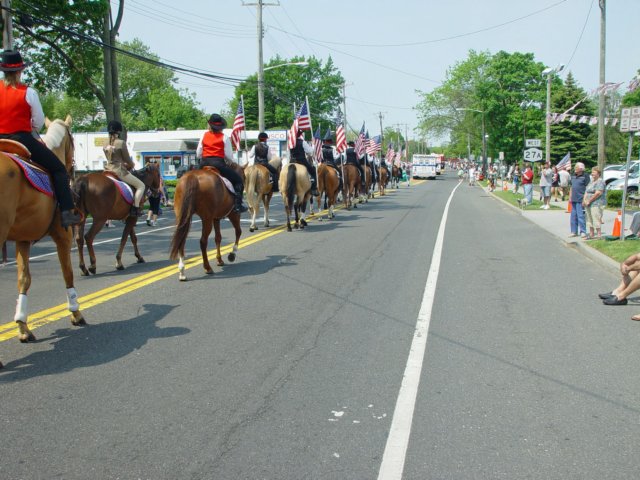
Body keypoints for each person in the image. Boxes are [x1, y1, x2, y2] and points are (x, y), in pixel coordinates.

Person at [0, 50, 81, 228]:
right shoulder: (28, 92)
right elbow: (38, 121)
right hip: (20, 139)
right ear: (20, 71)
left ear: (4, 71)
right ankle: (67, 213)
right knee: (59, 169)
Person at [197, 113, 248, 213]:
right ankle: (238, 206)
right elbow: (228, 156)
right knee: (238, 181)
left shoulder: (204, 135)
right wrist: (232, 163)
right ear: (220, 126)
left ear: (209, 125)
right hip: (218, 164)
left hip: (203, 163)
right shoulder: (224, 137)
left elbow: (198, 153)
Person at [103, 120, 146, 217]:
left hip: (107, 170)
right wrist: (132, 164)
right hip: (119, 171)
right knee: (141, 186)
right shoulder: (121, 143)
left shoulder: (105, 143)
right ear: (118, 131)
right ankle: (135, 208)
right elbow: (127, 159)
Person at [289, 129, 318, 196]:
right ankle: (313, 188)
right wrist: (313, 145)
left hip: (292, 161)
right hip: (301, 161)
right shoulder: (302, 142)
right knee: (314, 172)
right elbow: (310, 151)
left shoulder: (290, 142)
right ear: (300, 135)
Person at [583, 166, 605, 239]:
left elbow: (598, 193)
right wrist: (584, 200)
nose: (592, 174)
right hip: (588, 204)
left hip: (596, 203)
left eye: (594, 172)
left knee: (596, 218)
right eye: (592, 172)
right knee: (589, 219)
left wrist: (589, 201)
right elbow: (586, 191)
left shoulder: (600, 181)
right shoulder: (591, 181)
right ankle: (591, 234)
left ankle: (599, 235)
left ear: (598, 174)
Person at [568, 162, 589, 238]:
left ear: (580, 169)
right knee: (573, 216)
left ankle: (583, 231)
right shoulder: (573, 176)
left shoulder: (585, 176)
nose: (575, 168)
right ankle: (573, 231)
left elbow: (587, 188)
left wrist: (585, 199)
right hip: (573, 199)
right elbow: (571, 187)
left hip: (581, 199)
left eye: (576, 167)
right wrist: (570, 196)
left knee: (580, 216)